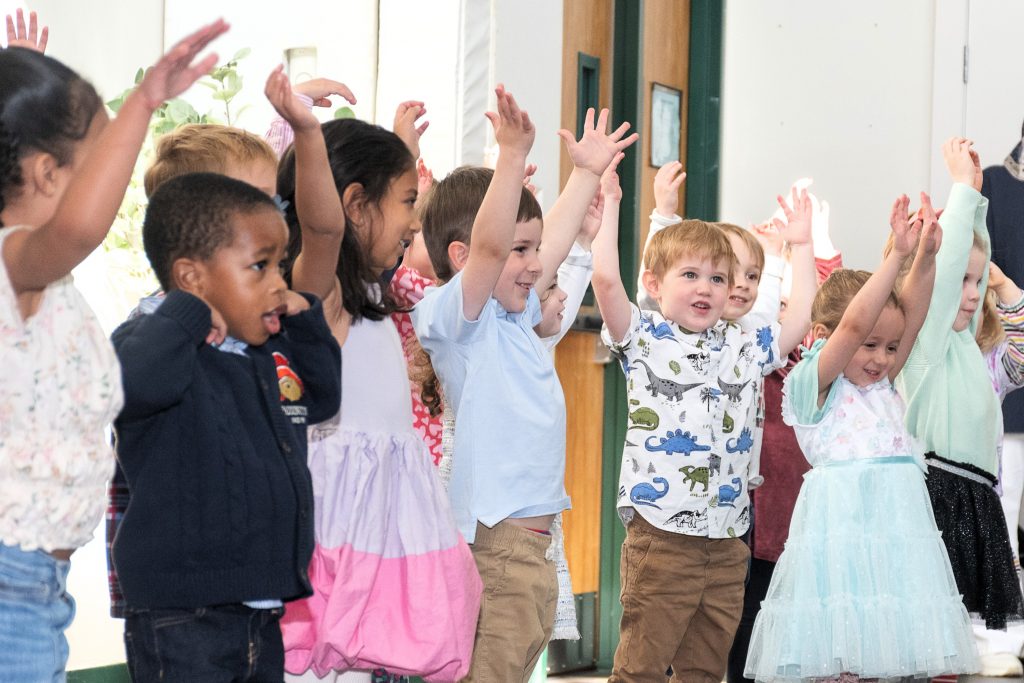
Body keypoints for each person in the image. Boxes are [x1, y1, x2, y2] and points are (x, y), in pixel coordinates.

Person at [0, 18, 226, 680]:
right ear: (45, 173)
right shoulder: (18, 261)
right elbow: (77, 224)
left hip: (36, 579)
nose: (117, 176)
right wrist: (144, 100)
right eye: (101, 158)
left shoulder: (39, 276)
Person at [412, 91, 636, 681]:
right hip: (498, 547)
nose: (537, 264)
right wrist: (512, 157)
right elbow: (490, 249)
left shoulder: (512, 319)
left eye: (535, 250)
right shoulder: (458, 321)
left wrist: (585, 174)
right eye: (522, 251)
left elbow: (553, 242)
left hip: (534, 547)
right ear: (463, 258)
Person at [266, 70, 481, 682]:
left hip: (382, 529)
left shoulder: (368, 289)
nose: (416, 223)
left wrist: (399, 155)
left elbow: (358, 215)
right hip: (336, 530)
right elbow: (324, 223)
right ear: (356, 204)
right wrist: (304, 130)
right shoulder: (320, 290)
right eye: (408, 203)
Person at [744, 194, 978, 681]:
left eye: (890, 348)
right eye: (870, 346)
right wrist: (895, 256)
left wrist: (926, 257)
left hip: (894, 538)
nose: (882, 357)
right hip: (843, 539)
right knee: (844, 656)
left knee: (886, 651)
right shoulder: (814, 384)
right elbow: (853, 325)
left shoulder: (883, 383)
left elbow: (910, 314)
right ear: (823, 336)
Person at [593, 171, 804, 681]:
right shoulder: (644, 337)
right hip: (663, 537)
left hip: (729, 538)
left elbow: (797, 322)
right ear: (654, 285)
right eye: (690, 275)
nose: (705, 288)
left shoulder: (741, 344)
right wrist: (612, 204)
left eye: (717, 278)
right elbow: (605, 281)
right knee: (641, 666)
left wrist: (802, 246)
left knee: (706, 670)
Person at [105, 121, 280, 620]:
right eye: (256, 203)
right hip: (180, 600)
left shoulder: (258, 325)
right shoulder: (150, 330)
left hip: (252, 593)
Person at [897, 138, 1024, 631]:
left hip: (981, 508)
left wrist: (1005, 286)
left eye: (978, 283)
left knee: (976, 640)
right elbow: (943, 275)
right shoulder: (924, 344)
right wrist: (961, 192)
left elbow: (1020, 354)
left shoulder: (973, 353)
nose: (971, 295)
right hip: (938, 504)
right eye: (963, 283)